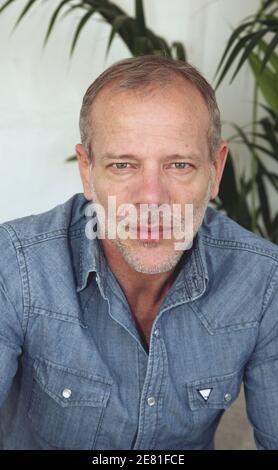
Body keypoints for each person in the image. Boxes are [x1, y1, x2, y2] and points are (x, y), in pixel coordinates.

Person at [0, 55, 277, 451]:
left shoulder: (264, 280)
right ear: (87, 171)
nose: (152, 198)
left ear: (215, 171)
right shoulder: (14, 264)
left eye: (179, 164)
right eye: (123, 165)